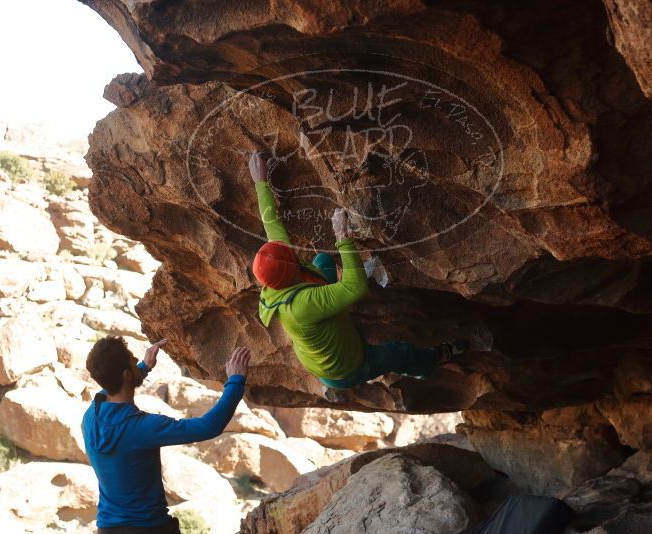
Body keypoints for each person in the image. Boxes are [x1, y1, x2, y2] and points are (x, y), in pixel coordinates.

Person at [248, 150, 467, 389]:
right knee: (397, 352)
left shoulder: (276, 277)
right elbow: (356, 288)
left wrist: (260, 182)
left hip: (325, 335)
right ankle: (430, 362)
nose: (291, 250)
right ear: (289, 270)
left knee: (322, 261)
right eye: (290, 255)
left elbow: (272, 225)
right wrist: (342, 237)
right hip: (345, 367)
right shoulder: (301, 306)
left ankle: (338, 305)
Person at [81, 336, 250, 533]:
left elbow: (111, 384)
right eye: (131, 358)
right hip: (150, 528)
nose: (136, 359)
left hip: (107, 528)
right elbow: (207, 426)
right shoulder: (142, 428)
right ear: (126, 374)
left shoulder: (91, 415)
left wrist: (144, 367)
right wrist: (236, 381)